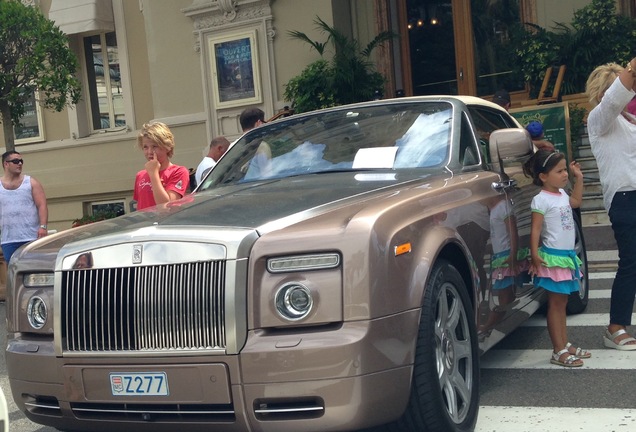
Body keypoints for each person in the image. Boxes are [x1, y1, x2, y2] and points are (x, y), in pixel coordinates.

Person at [586, 60, 636, 350]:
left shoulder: (630, 122)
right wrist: (630, 69)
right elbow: (613, 101)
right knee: (630, 262)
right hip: (623, 198)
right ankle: (615, 327)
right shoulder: (599, 119)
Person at [523, 149, 588, 366]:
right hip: (553, 259)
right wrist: (534, 254)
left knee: (563, 302)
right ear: (543, 176)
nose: (564, 175)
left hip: (566, 257)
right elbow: (535, 230)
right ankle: (558, 349)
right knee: (556, 304)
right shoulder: (540, 200)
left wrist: (579, 178)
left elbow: (577, 202)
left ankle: (564, 343)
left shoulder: (562, 195)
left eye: (564, 170)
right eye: (559, 171)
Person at [0, 151, 48, 264]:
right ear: (6, 164)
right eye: (16, 161)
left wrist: (43, 227)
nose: (20, 164)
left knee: (34, 267)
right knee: (13, 271)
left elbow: (42, 205)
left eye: (21, 161)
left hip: (31, 237)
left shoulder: (31, 183)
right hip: (9, 239)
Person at [133, 121, 190, 210]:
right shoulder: (140, 175)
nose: (149, 152)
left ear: (167, 147)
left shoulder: (179, 172)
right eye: (145, 147)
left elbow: (166, 206)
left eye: (154, 146)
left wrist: (154, 174)